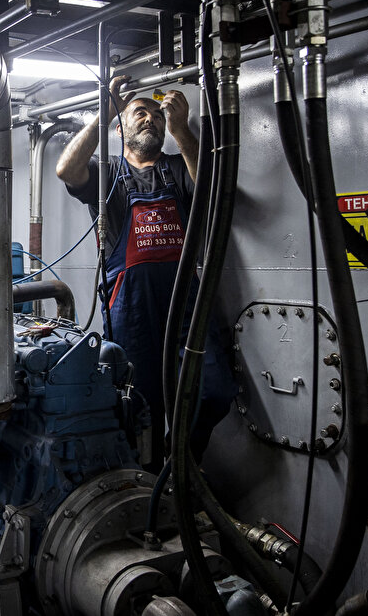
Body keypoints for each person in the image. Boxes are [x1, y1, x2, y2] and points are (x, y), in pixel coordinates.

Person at [55, 75, 236, 468]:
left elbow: (212, 183)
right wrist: (105, 110)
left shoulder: (177, 165)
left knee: (215, 391)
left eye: (156, 114)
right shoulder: (110, 174)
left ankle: (181, 460)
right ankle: (150, 483)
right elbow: (67, 169)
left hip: (185, 300)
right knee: (141, 406)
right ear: (120, 128)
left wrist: (181, 128)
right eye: (141, 113)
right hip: (131, 308)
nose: (150, 119)